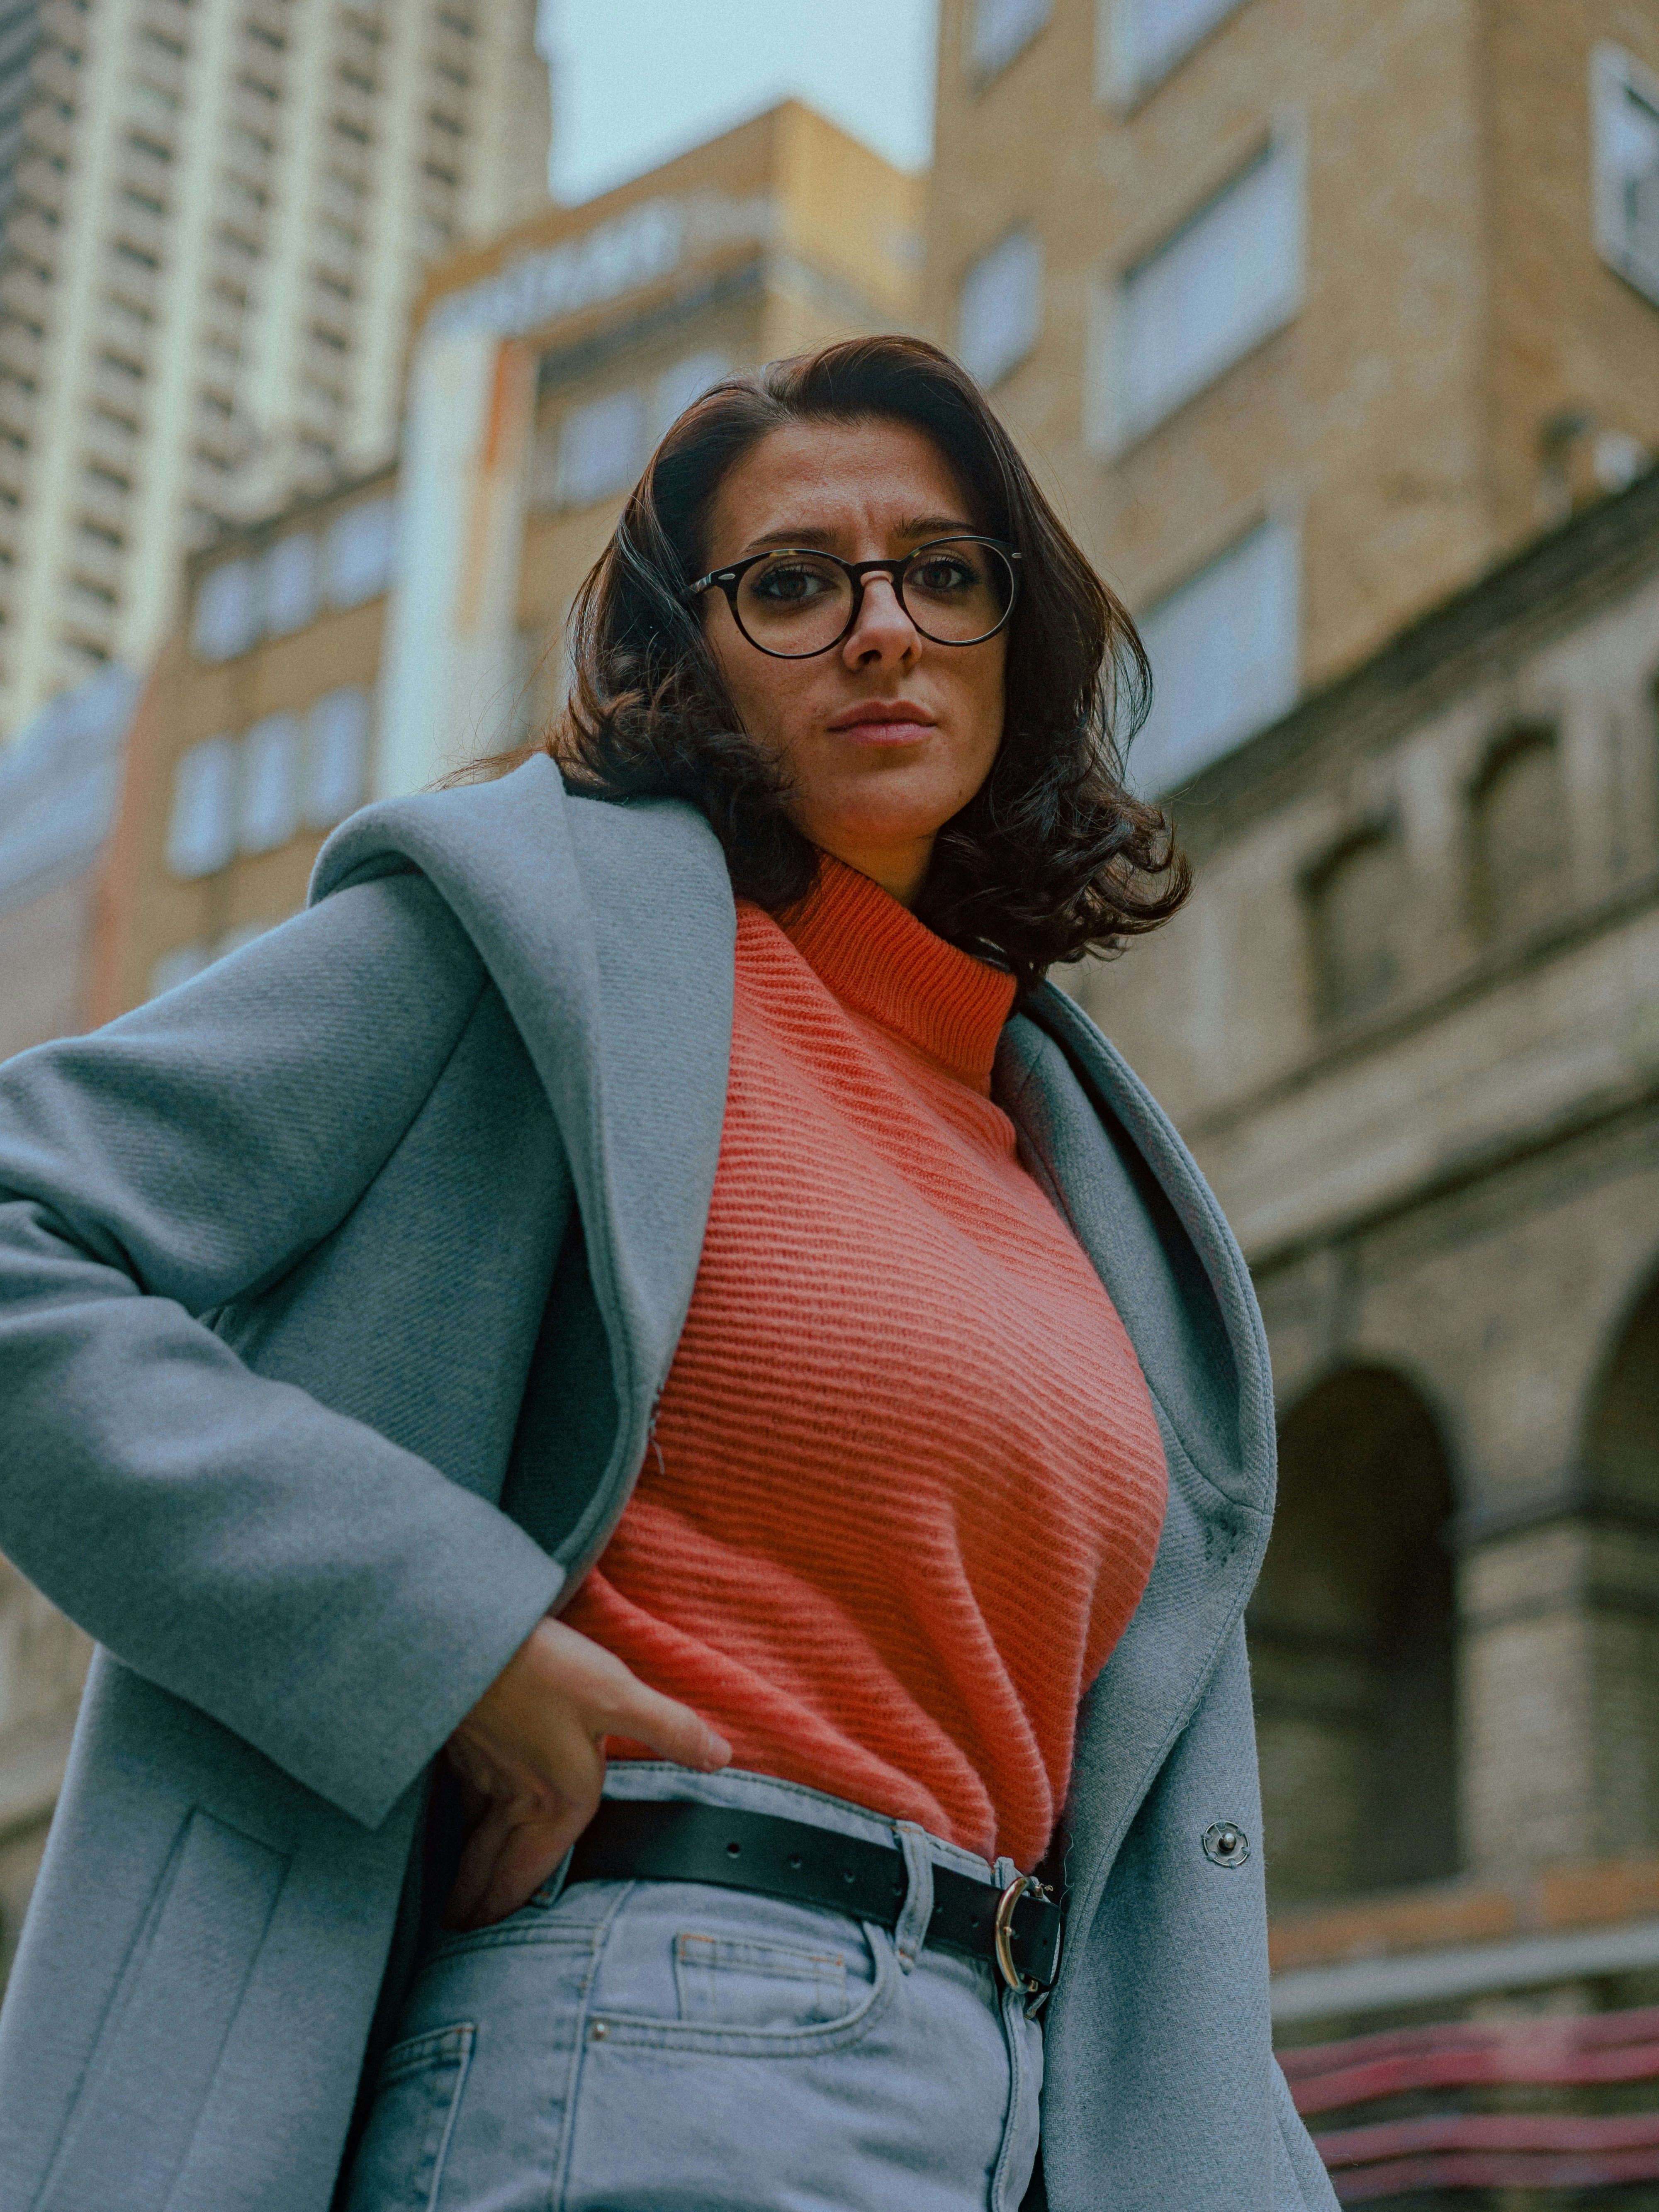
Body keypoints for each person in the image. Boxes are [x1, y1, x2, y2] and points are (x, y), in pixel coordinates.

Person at [0, 335, 1337, 2212]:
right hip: (659, 2048)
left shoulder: (1077, 1153)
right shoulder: (538, 934)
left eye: (939, 571)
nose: (879, 627)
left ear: (1013, 631)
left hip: (1017, 2104)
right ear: (684, 651)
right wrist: (444, 1633)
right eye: (791, 583)